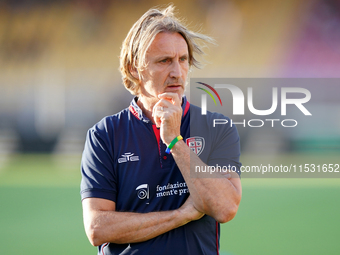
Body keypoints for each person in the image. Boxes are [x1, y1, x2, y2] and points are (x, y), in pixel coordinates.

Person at [80, 5, 242, 255]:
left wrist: (174, 141)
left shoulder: (216, 126)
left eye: (183, 60)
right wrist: (181, 215)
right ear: (135, 68)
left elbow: (225, 208)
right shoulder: (105, 135)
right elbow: (97, 228)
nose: (177, 72)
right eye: (164, 61)